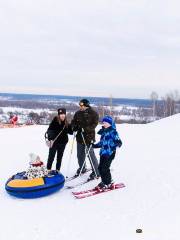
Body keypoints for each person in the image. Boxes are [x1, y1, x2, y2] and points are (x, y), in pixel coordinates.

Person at [71, 99, 100, 180]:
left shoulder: (93, 113)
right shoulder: (78, 113)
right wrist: (74, 127)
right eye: (80, 106)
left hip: (88, 137)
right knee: (80, 155)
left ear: (86, 105)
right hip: (80, 137)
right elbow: (73, 122)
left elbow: (94, 124)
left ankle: (96, 171)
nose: (80, 107)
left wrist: (85, 128)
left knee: (90, 155)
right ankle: (82, 168)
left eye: (82, 106)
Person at [93, 115, 122, 190]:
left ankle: (108, 182)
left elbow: (118, 141)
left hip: (110, 153)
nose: (104, 124)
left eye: (106, 122)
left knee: (105, 168)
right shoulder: (104, 132)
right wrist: (94, 145)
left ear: (110, 123)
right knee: (100, 168)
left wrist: (118, 144)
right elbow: (102, 142)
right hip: (103, 153)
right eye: (103, 122)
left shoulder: (113, 131)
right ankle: (104, 181)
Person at [45, 108, 73, 173]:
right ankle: (48, 169)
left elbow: (71, 132)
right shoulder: (55, 121)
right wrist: (51, 137)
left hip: (63, 143)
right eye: (61, 114)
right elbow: (49, 131)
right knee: (51, 156)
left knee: (59, 157)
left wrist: (72, 126)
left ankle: (58, 170)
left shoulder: (66, 122)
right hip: (54, 142)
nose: (62, 115)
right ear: (59, 115)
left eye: (64, 114)